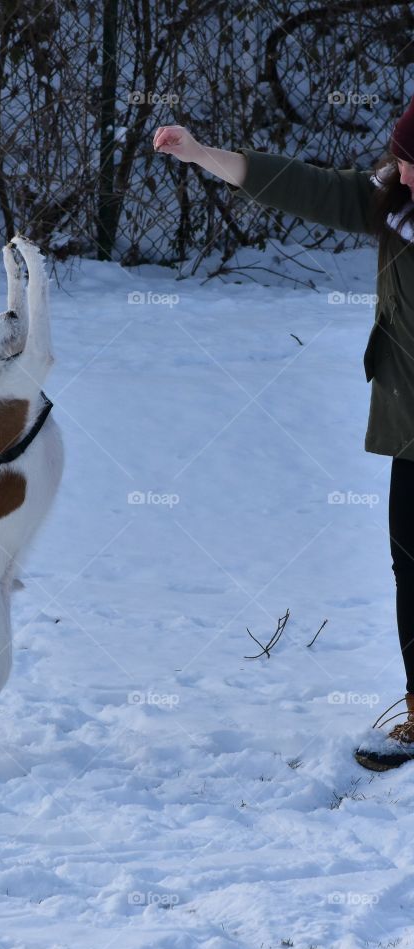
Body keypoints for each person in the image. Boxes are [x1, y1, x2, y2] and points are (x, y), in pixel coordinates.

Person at [153, 98, 414, 771]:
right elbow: (312, 188)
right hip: (413, 429)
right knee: (410, 568)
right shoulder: (395, 202)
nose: (404, 176)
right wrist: (203, 154)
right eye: (402, 163)